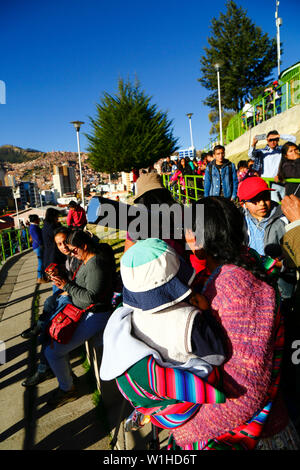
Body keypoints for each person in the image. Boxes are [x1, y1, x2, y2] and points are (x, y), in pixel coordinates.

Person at [169, 197, 298, 450]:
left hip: (252, 436)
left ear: (200, 236)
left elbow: (245, 390)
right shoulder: (231, 270)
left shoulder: (236, 286)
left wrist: (184, 430)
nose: (184, 234)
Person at [42, 230, 115, 408]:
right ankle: (67, 381)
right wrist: (63, 282)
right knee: (51, 344)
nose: (71, 252)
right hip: (88, 313)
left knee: (53, 351)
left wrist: (66, 285)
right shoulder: (88, 260)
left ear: (84, 246)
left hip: (97, 315)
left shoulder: (95, 264)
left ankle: (68, 389)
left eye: (74, 249)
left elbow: (91, 297)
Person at [21, 226, 81, 386]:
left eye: (65, 242)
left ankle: (44, 369)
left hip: (79, 303)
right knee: (49, 327)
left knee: (50, 325)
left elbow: (78, 290)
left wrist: (64, 287)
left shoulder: (79, 255)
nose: (63, 247)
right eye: (59, 244)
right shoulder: (69, 258)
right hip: (71, 297)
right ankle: (45, 367)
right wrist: (58, 277)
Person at [238, 176, 296, 304]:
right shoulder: (238, 220)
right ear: (244, 204)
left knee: (284, 303)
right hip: (251, 275)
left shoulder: (285, 216)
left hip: (281, 277)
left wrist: (283, 264)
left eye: (265, 197)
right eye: (255, 200)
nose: (262, 203)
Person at [248, 130, 296, 202]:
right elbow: (251, 155)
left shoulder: (282, 150)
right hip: (267, 183)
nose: (273, 142)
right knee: (274, 206)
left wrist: (278, 136)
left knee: (287, 203)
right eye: (270, 140)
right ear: (267, 140)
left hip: (280, 181)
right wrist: (253, 144)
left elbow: (293, 139)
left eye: (275, 140)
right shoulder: (262, 151)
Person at [28, 214, 46, 283]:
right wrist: (42, 245)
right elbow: (37, 238)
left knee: (41, 262)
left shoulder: (33, 227)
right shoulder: (33, 227)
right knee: (40, 262)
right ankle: (39, 277)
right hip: (38, 246)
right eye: (38, 219)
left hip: (37, 246)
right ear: (35, 220)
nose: (39, 220)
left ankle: (42, 277)